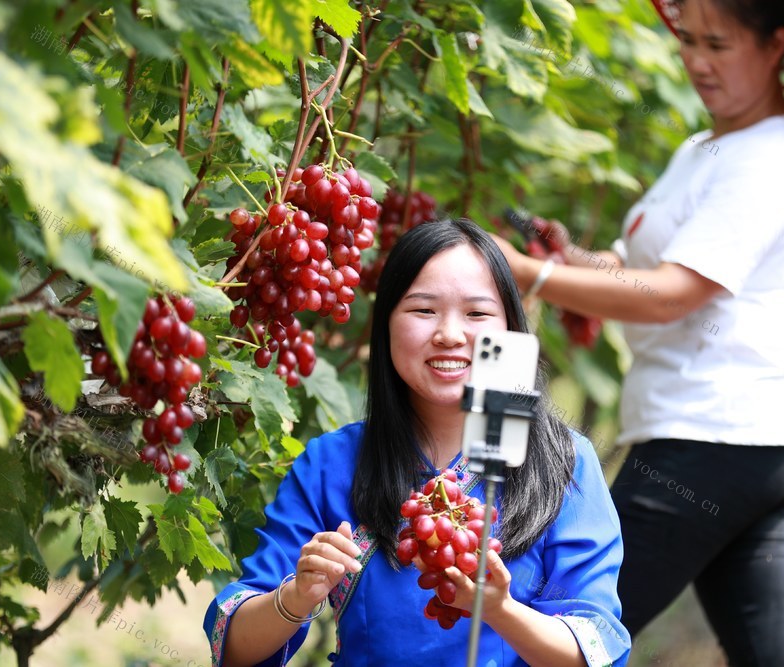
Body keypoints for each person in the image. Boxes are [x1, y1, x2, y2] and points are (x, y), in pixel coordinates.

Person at [493, 0, 784, 665]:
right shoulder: (707, 149)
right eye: (687, 39)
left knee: (561, 633)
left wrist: (529, 275)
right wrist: (572, 260)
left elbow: (672, 295)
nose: (695, 60)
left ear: (776, 47)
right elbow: (644, 268)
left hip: (709, 441)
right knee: (768, 654)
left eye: (718, 44)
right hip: (753, 445)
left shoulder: (768, 159)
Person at [204, 218, 631, 666]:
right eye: (424, 310)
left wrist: (501, 611)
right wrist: (295, 597)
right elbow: (234, 651)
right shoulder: (331, 464)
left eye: (477, 313)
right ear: (385, 323)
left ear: (510, 326)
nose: (450, 334)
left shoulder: (564, 463)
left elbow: (595, 649)